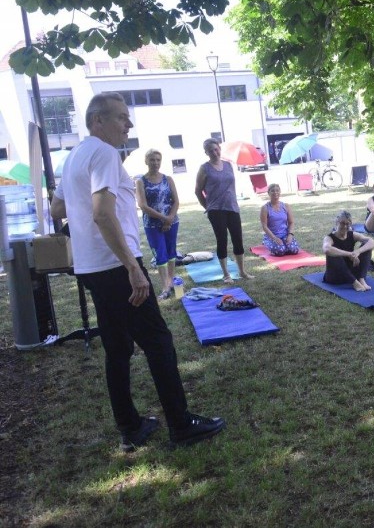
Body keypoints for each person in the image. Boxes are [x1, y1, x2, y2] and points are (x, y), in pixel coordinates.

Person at [50, 92, 225, 451]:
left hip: (93, 268)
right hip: (116, 266)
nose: (128, 124)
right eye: (121, 117)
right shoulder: (102, 153)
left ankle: (130, 425)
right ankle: (181, 423)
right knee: (159, 342)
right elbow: (101, 212)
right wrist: (132, 266)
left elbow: (56, 208)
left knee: (117, 348)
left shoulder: (74, 157)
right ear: (97, 120)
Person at [195, 138, 253, 283]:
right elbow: (198, 191)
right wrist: (207, 207)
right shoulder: (204, 168)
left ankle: (242, 271)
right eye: (211, 151)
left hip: (232, 207)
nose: (215, 153)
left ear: (219, 148)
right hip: (216, 210)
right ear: (206, 153)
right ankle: (226, 274)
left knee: (238, 240)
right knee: (222, 240)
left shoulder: (228, 165)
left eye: (216, 149)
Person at [135, 149, 180, 299]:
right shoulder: (141, 181)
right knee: (160, 254)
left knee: (171, 252)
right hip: (153, 225)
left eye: (158, 160)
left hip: (172, 222)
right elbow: (143, 205)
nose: (155, 163)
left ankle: (171, 281)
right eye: (152, 160)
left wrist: (170, 218)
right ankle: (165, 287)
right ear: (146, 161)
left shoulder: (168, 179)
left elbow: (176, 201)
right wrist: (163, 218)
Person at [322, 210, 374, 292]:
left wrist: (358, 252)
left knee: (366, 247)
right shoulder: (329, 238)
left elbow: (371, 241)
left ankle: (361, 279)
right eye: (342, 223)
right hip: (335, 276)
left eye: (347, 224)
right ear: (337, 222)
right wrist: (349, 254)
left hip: (351, 272)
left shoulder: (352, 234)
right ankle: (354, 283)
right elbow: (326, 249)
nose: (345, 226)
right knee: (333, 253)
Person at [260, 183, 300, 256]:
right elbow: (264, 226)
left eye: (277, 190)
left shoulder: (286, 206)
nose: (275, 192)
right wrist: (274, 238)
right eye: (272, 191)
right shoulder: (265, 208)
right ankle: (267, 242)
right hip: (272, 236)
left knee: (294, 250)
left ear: (280, 192)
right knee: (280, 251)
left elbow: (291, 222)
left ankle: (284, 246)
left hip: (285, 234)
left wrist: (290, 235)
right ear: (268, 193)